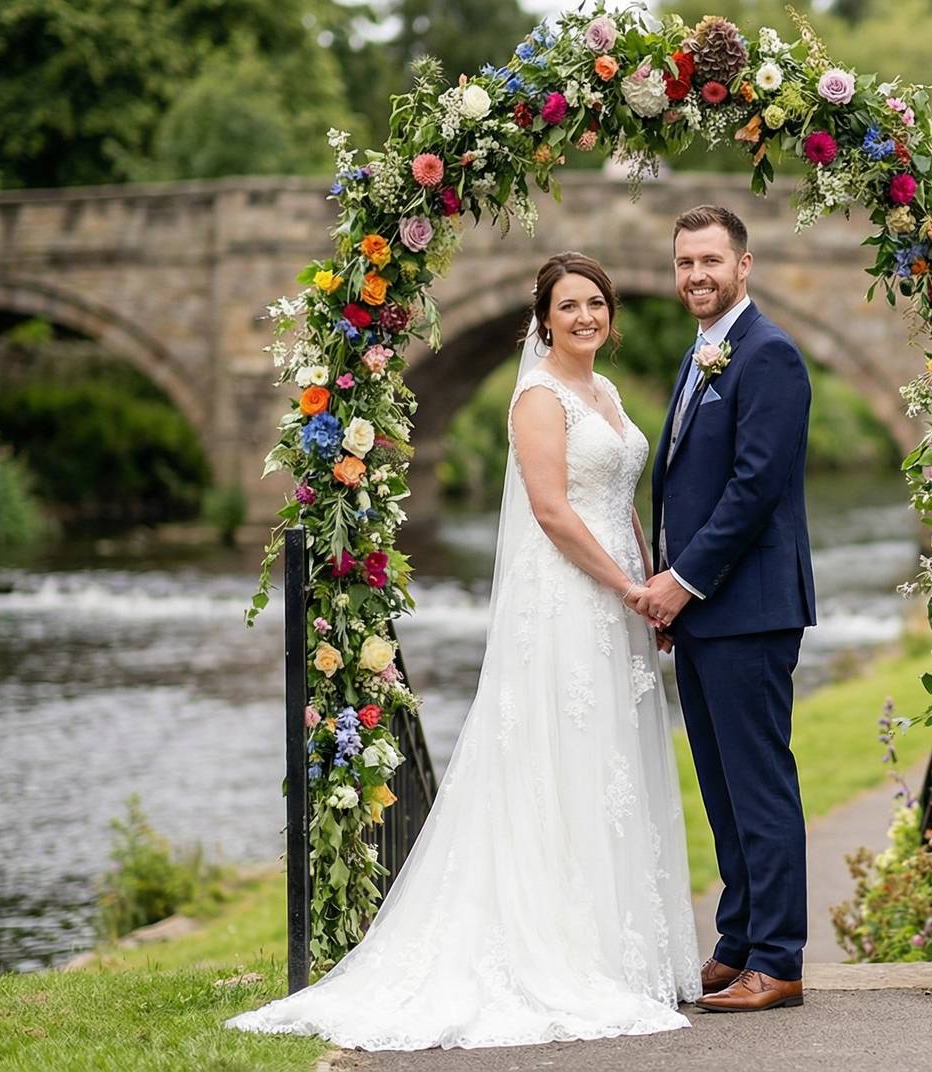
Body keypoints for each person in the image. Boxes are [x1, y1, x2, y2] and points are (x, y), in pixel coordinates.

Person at [227, 253, 700, 1049]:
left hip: (620, 596)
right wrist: (627, 588)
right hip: (568, 600)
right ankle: (552, 948)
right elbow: (551, 511)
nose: (585, 316)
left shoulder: (606, 392)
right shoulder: (537, 397)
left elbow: (619, 502)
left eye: (596, 304)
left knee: (606, 764)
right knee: (558, 757)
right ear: (542, 317)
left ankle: (615, 947)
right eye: (569, 306)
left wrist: (649, 584)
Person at [636, 205, 817, 1013]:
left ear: (744, 265)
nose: (695, 275)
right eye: (684, 263)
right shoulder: (703, 354)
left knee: (759, 782)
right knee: (721, 786)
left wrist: (683, 580)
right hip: (706, 610)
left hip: (747, 607)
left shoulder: (770, 355)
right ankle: (738, 941)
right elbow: (684, 482)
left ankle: (778, 961)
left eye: (710, 260)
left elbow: (753, 490)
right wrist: (674, 591)